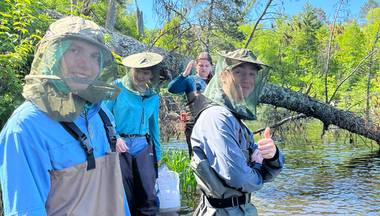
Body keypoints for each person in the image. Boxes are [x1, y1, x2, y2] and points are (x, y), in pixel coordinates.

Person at [0, 16, 130, 216]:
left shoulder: (102, 114)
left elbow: (116, 195)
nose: (86, 64)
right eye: (75, 50)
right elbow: (25, 210)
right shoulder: (25, 127)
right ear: (53, 55)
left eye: (95, 56)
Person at [190, 49, 285, 215]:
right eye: (239, 72)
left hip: (241, 209)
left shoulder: (236, 120)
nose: (247, 79)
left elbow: (265, 174)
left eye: (252, 74)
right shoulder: (216, 118)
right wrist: (256, 167)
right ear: (223, 78)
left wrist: (273, 156)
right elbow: (238, 177)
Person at [105, 52, 163, 216]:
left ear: (151, 74)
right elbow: (103, 116)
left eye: (146, 72)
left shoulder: (153, 96)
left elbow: (154, 126)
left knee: (147, 192)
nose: (141, 76)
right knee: (124, 192)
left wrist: (157, 153)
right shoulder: (116, 86)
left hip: (143, 145)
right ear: (131, 70)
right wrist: (115, 137)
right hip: (119, 145)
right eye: (138, 71)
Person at [167, 52, 213, 157]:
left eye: (207, 66)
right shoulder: (189, 80)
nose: (204, 68)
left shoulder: (215, 82)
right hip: (193, 125)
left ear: (211, 66)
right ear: (196, 65)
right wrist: (183, 75)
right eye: (201, 65)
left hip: (211, 125)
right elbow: (171, 89)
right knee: (196, 157)